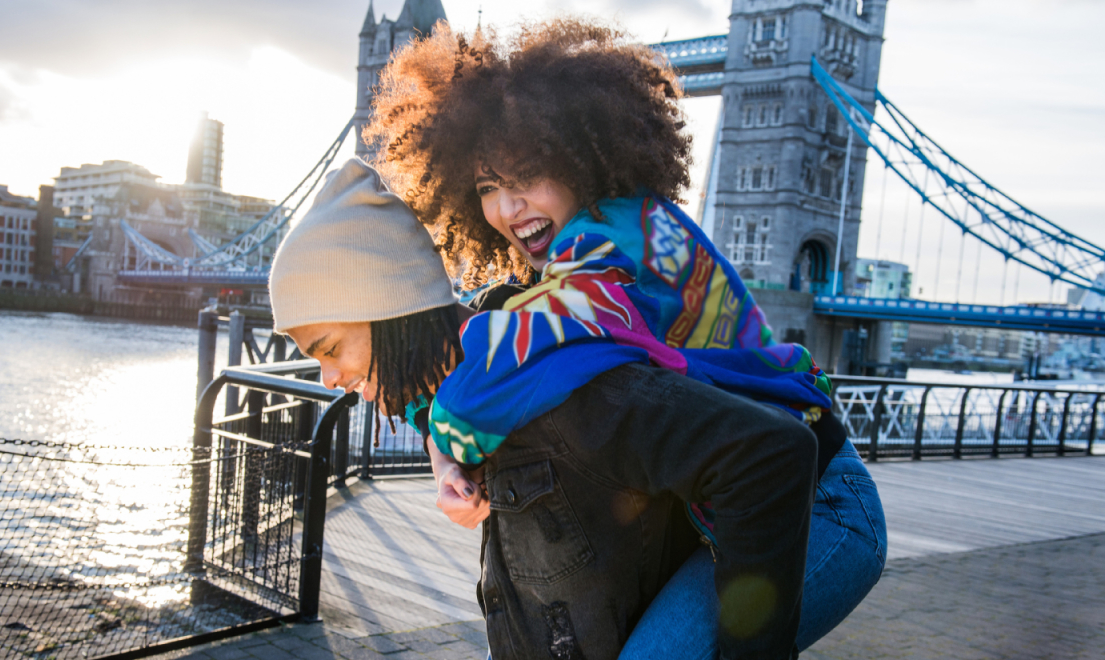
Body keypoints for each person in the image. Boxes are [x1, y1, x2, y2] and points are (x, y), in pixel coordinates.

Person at [368, 18, 887, 659]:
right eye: (486, 188)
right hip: (738, 510)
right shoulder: (597, 246)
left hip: (819, 507)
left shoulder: (614, 241)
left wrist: (445, 427)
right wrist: (445, 451)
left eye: (525, 175)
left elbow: (509, 359)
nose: (506, 209)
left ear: (583, 159)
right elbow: (498, 356)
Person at [269, 157, 819, 659]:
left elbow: (770, 456)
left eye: (329, 349)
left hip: (806, 502)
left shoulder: (551, 370)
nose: (330, 379)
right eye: (487, 187)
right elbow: (428, 398)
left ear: (390, 310)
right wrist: (445, 465)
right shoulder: (476, 373)